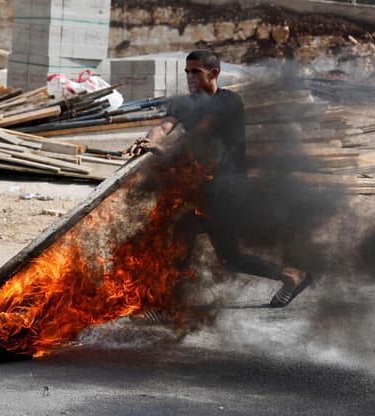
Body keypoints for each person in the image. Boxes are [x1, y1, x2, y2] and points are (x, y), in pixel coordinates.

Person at [125, 49, 311, 308]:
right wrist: (148, 141)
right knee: (185, 233)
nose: (189, 77)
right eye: (187, 72)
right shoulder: (183, 103)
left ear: (213, 74)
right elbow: (163, 126)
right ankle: (168, 300)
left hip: (229, 190)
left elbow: (201, 132)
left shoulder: (229, 102)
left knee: (228, 258)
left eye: (196, 72)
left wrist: (167, 150)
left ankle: (293, 275)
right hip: (202, 187)